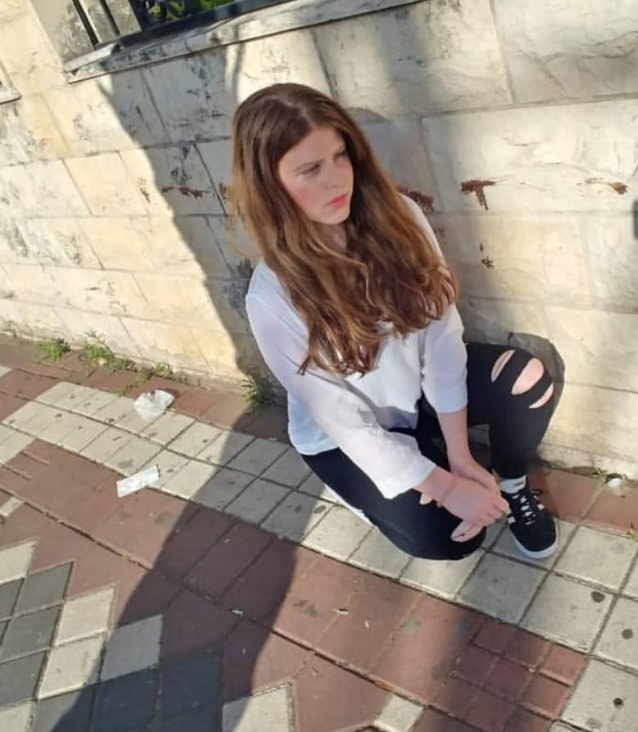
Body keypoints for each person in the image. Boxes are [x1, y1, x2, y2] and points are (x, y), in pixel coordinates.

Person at [229, 83, 558, 561]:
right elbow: (343, 420)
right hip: (346, 437)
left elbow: (441, 333)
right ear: (270, 187)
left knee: (528, 382)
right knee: (449, 538)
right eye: (311, 169)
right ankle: (381, 490)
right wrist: (445, 487)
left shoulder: (397, 216)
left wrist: (461, 457)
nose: (337, 181)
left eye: (340, 156)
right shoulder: (272, 296)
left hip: (416, 396)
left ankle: (508, 486)